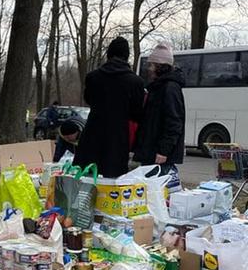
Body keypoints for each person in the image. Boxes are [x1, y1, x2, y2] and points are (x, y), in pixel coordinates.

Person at [74, 36, 145, 177]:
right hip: (117, 137)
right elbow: (137, 113)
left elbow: (89, 99)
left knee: (86, 177)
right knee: (113, 180)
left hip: (92, 133)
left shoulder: (93, 77)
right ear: (127, 56)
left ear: (109, 54)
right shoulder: (136, 82)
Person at [133, 42, 185, 172]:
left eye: (152, 65)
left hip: (158, 156)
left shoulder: (169, 88)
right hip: (152, 152)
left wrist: (164, 151)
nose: (149, 68)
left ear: (160, 67)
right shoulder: (158, 88)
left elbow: (174, 122)